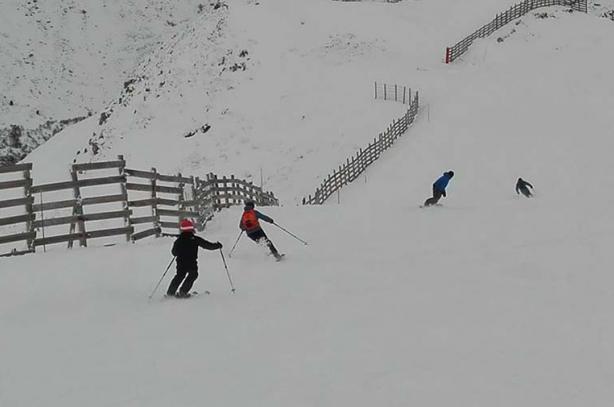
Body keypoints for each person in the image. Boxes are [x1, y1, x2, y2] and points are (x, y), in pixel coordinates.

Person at [167, 219, 222, 298]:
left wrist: (179, 252)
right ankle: (183, 291)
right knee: (193, 274)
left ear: (182, 229)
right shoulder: (195, 239)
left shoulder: (178, 241)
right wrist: (217, 246)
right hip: (191, 262)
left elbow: (174, 253)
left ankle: (170, 292)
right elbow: (207, 245)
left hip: (180, 262)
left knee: (180, 275)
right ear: (192, 229)